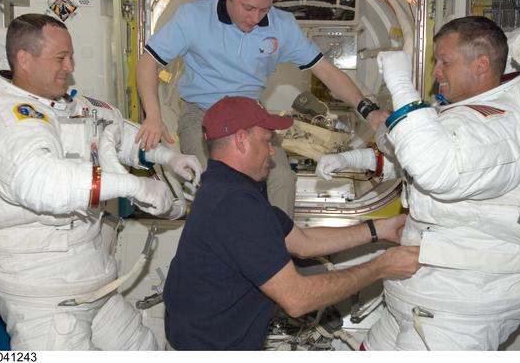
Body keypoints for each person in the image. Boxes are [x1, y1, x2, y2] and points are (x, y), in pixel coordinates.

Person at [0, 13, 202, 350]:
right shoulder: (1, 116)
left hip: (88, 273)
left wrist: (168, 157)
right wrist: (133, 186)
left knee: (142, 349)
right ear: (24, 60)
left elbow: (117, 134)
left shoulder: (71, 105)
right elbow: (39, 181)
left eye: (70, 56)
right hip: (40, 286)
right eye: (60, 58)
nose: (70, 67)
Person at [317, 16, 520, 350]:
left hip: (458, 311)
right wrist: (352, 160)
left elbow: (436, 167)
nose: (435, 72)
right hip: (420, 295)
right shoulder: (467, 114)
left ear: (481, 65)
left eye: (444, 62)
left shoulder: (501, 127)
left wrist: (401, 84)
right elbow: (414, 164)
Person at [136, 0, 389, 217]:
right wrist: (153, 116)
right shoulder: (193, 17)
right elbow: (148, 62)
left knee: (282, 179)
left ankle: (277, 240)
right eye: (248, 7)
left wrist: (367, 109)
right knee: (209, 179)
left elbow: (326, 71)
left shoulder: (283, 26)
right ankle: (226, 239)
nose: (255, 17)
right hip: (202, 112)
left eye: (264, 9)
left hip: (251, 115)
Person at [162, 95, 420, 350]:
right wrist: (381, 267)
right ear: (241, 141)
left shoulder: (228, 187)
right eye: (266, 140)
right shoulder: (235, 203)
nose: (272, 150)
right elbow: (297, 299)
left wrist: (379, 229)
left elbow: (302, 242)